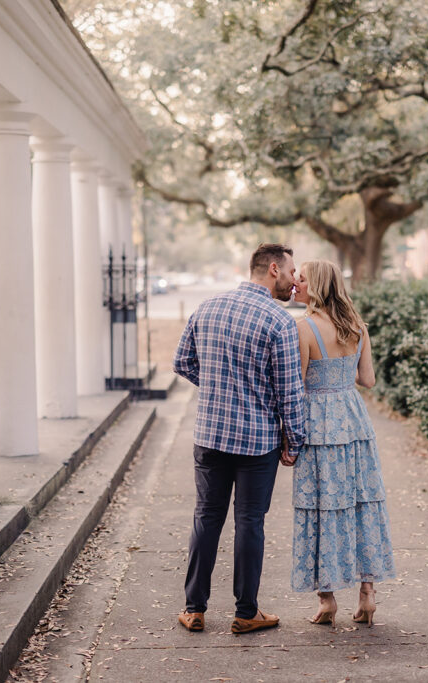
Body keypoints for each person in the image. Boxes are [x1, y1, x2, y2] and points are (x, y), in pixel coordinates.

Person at [173, 244, 307, 635]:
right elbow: (289, 391)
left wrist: (217, 388)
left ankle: (194, 609)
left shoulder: (208, 307)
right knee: (250, 522)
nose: (293, 282)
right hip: (257, 442)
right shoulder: (278, 321)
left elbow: (182, 361)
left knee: (206, 518)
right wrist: (294, 441)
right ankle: (246, 612)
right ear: (273, 269)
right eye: (290, 272)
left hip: (211, 436)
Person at [283, 260, 396, 627]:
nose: (294, 284)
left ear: (315, 286)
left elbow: (297, 387)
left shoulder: (303, 328)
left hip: (319, 425)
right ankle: (367, 594)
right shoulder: (357, 326)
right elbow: (368, 380)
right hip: (354, 421)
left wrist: (289, 434)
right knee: (362, 502)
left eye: (300, 280)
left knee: (322, 506)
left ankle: (327, 599)